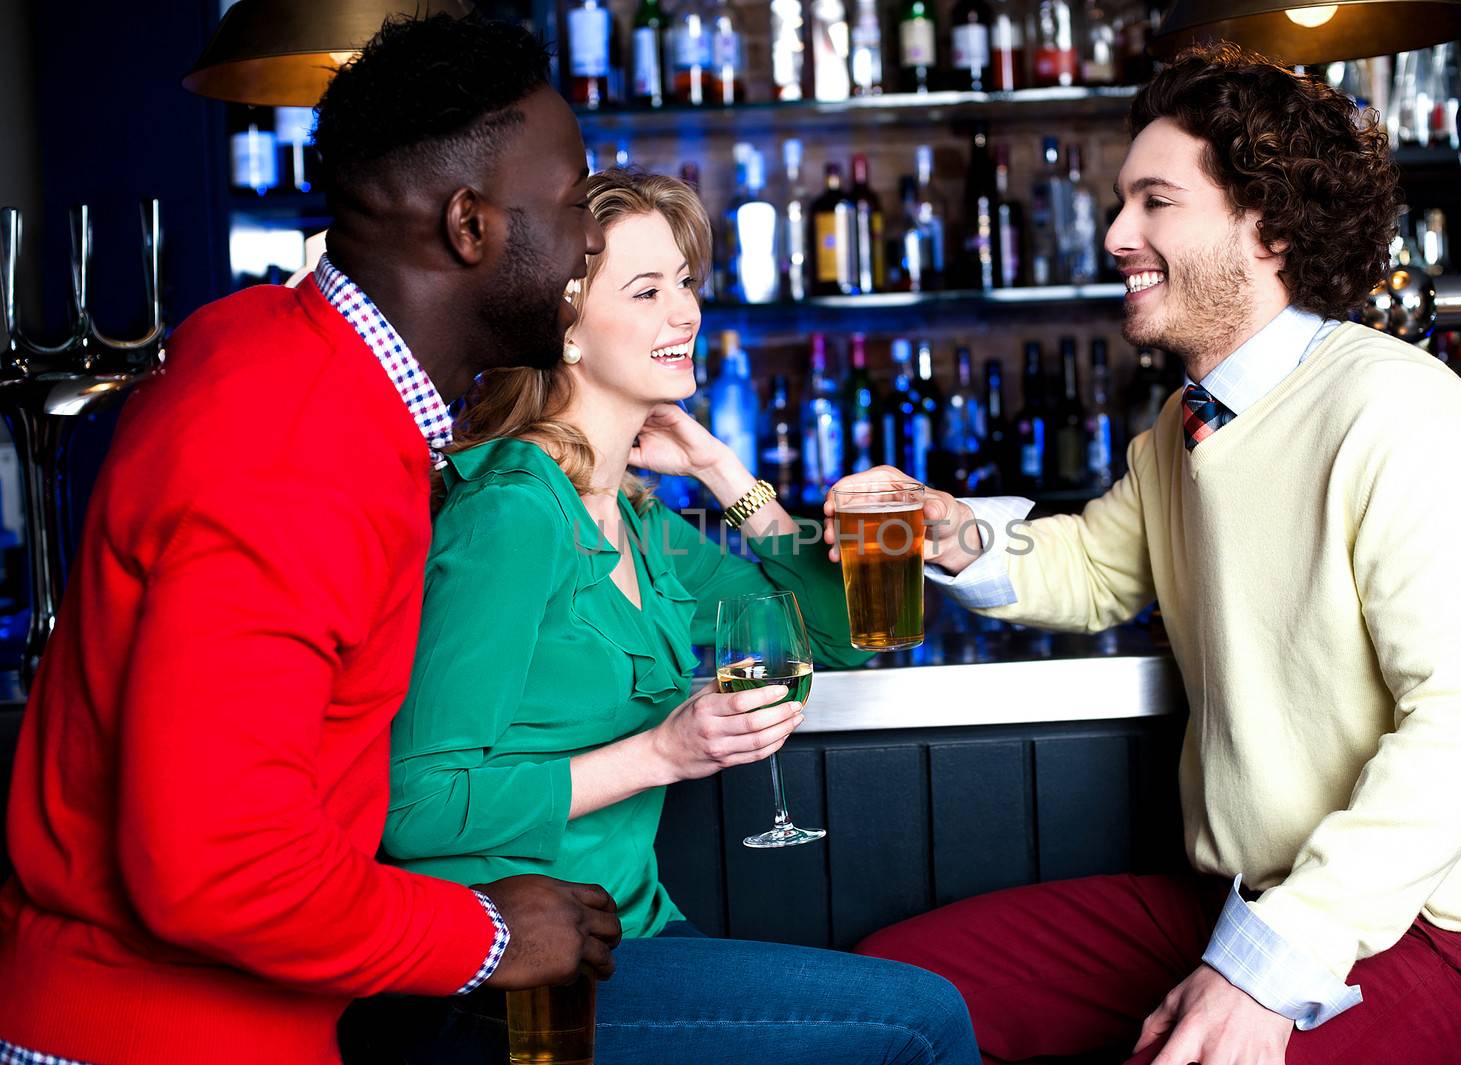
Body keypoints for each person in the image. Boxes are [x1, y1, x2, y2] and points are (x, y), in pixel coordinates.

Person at [831, 44, 1461, 1065]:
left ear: (1266, 225)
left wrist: (1268, 966)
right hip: (1230, 903)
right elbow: (1089, 568)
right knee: (894, 994)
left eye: (1154, 201)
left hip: (1416, 937)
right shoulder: (1187, 426)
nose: (1115, 234)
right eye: (1123, 203)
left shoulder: (1400, 414)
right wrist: (950, 526)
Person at [0, 16, 625, 1065]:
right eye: (570, 202)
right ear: (469, 225)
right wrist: (487, 936)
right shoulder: (296, 449)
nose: (592, 238)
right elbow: (220, 865)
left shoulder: (265, 350)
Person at [344, 167, 981, 1065]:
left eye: (684, 280)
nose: (685, 310)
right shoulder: (514, 514)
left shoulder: (636, 519)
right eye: (647, 290)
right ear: (565, 326)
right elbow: (411, 805)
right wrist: (660, 752)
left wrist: (724, 471)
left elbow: (832, 635)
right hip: (501, 982)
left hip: (630, 937)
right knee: (924, 1020)